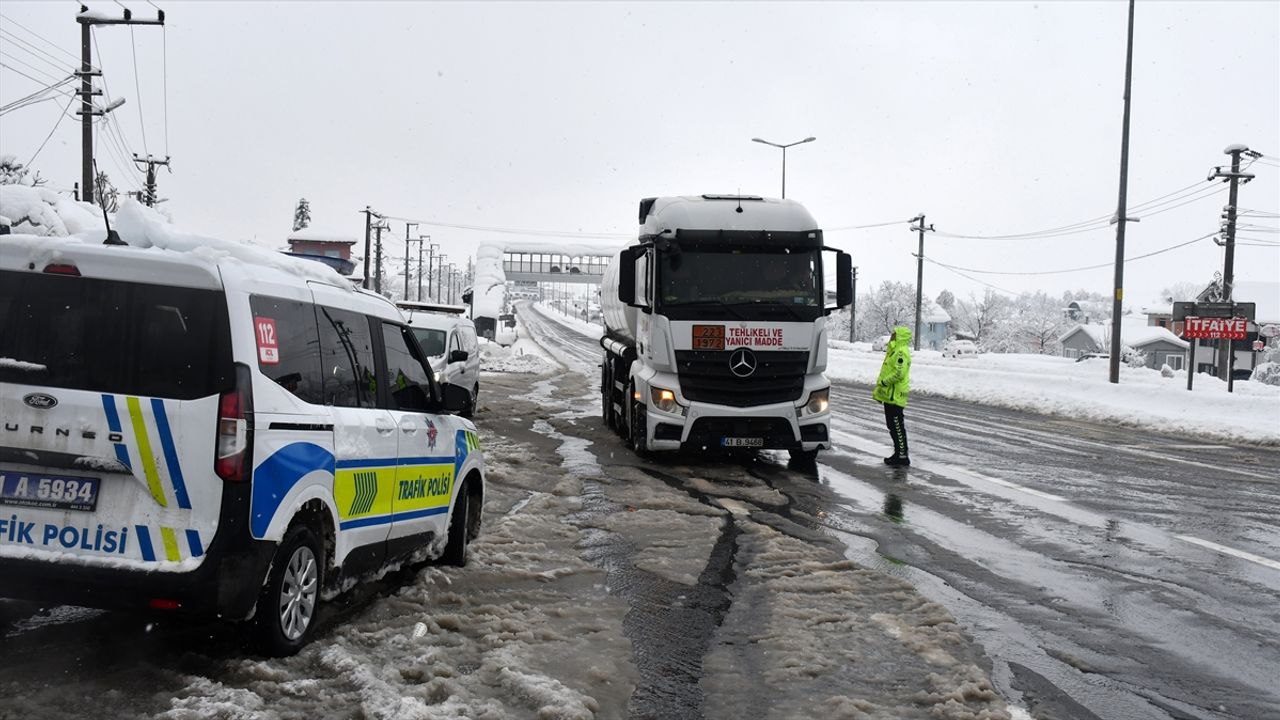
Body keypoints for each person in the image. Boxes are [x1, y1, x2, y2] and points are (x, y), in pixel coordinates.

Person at [873, 325, 912, 467]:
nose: (891, 336)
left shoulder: (901, 352)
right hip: (890, 395)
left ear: (899, 336)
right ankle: (898, 453)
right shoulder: (894, 350)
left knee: (897, 425)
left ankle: (902, 455)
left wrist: (884, 382)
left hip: (895, 395)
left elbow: (899, 373)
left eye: (894, 334)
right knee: (892, 425)